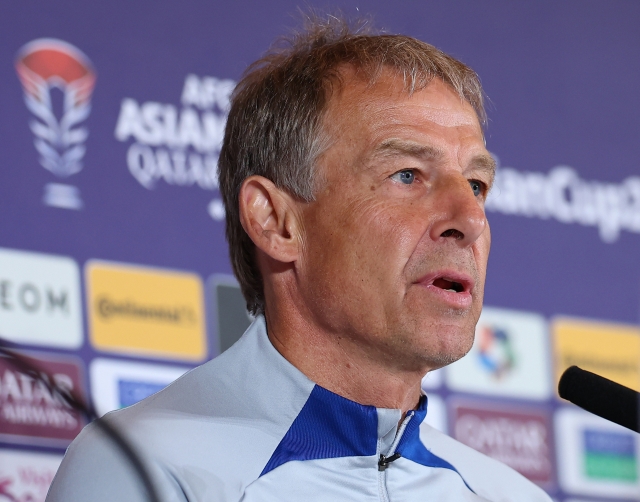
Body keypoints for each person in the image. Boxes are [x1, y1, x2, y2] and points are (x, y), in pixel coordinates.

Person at [47, 15, 552, 502]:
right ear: (276, 221)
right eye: (407, 174)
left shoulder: (509, 495)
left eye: (477, 184)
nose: (470, 218)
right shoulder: (145, 469)